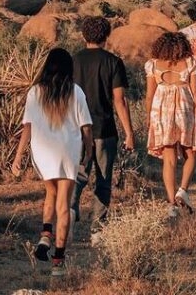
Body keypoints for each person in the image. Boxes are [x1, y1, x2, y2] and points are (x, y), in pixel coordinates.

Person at [12, 48, 93, 276]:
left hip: (43, 152)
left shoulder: (34, 92)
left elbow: (27, 127)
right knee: (64, 205)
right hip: (67, 151)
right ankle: (58, 260)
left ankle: (46, 236)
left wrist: (18, 156)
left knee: (51, 193)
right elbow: (86, 127)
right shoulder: (75, 92)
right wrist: (89, 152)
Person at [71, 16, 135, 231]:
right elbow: (119, 100)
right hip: (104, 128)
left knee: (77, 173)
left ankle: (70, 210)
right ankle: (98, 226)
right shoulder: (113, 62)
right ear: (107, 36)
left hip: (76, 128)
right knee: (104, 178)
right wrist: (129, 133)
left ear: (83, 35)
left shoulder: (73, 61)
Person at [144, 30, 196, 218]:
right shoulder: (190, 63)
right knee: (191, 151)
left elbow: (149, 95)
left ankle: (171, 203)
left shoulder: (152, 65)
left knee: (169, 158)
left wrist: (148, 117)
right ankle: (183, 190)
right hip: (184, 107)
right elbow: (195, 92)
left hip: (161, 109)